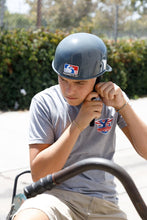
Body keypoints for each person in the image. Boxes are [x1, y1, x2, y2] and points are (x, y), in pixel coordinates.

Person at [13, 33, 147, 220]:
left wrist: (123, 106)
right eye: (63, 80)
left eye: (79, 83)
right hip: (54, 198)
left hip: (104, 203)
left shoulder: (112, 102)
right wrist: (77, 125)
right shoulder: (44, 102)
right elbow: (39, 174)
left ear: (98, 78)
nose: (69, 91)